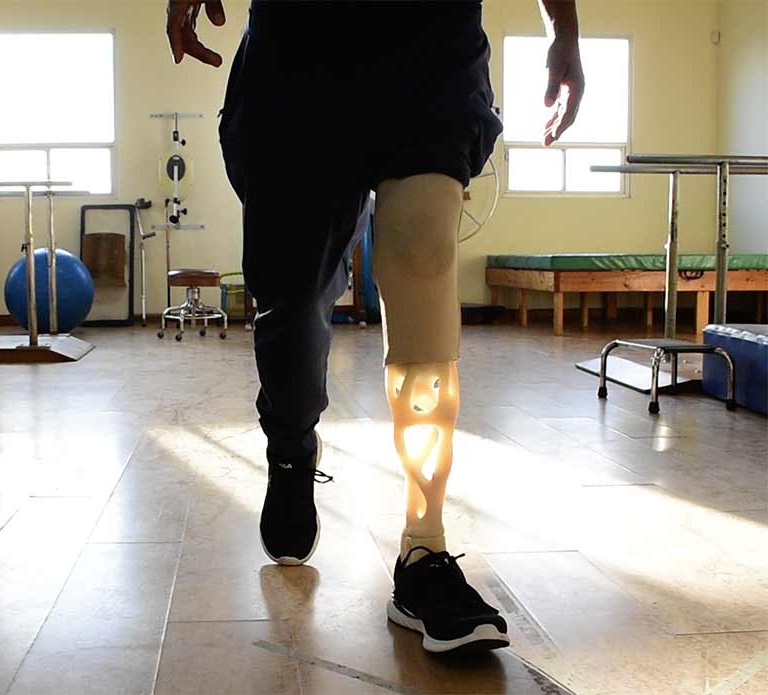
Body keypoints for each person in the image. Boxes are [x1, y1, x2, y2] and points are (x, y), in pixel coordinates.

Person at [166, 0, 584, 653]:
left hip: (431, 41)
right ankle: (291, 440)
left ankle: (425, 547)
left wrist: (563, 31)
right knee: (293, 292)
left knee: (423, 251)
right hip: (301, 45)